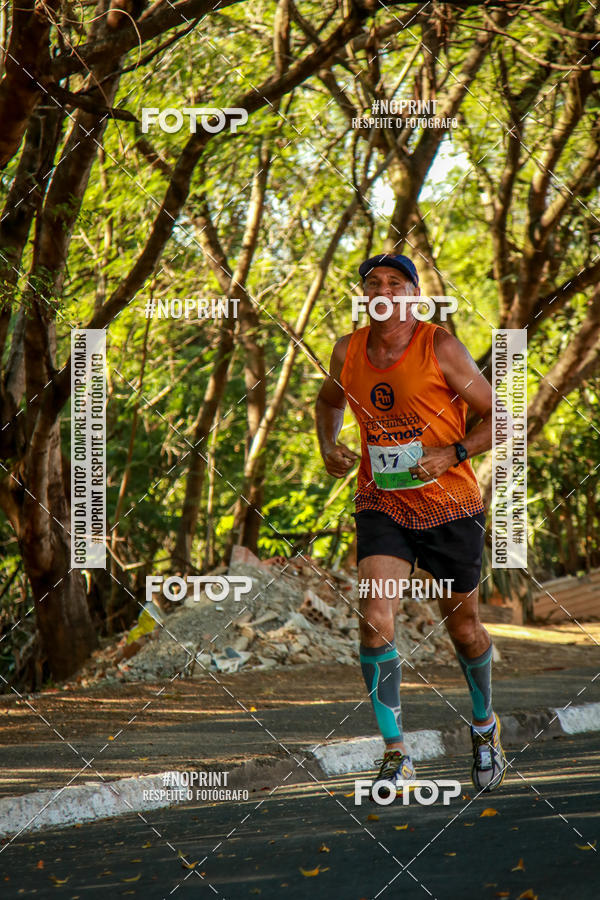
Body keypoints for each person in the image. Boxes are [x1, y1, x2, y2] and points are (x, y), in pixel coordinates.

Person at [315, 253, 507, 799]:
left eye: (394, 283)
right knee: (375, 618)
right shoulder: (348, 350)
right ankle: (396, 754)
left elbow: (499, 416)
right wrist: (329, 443)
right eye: (372, 283)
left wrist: (453, 452)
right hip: (383, 503)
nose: (382, 290)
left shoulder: (438, 346)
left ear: (412, 296)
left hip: (450, 505)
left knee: (464, 629)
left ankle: (484, 724)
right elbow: (327, 401)